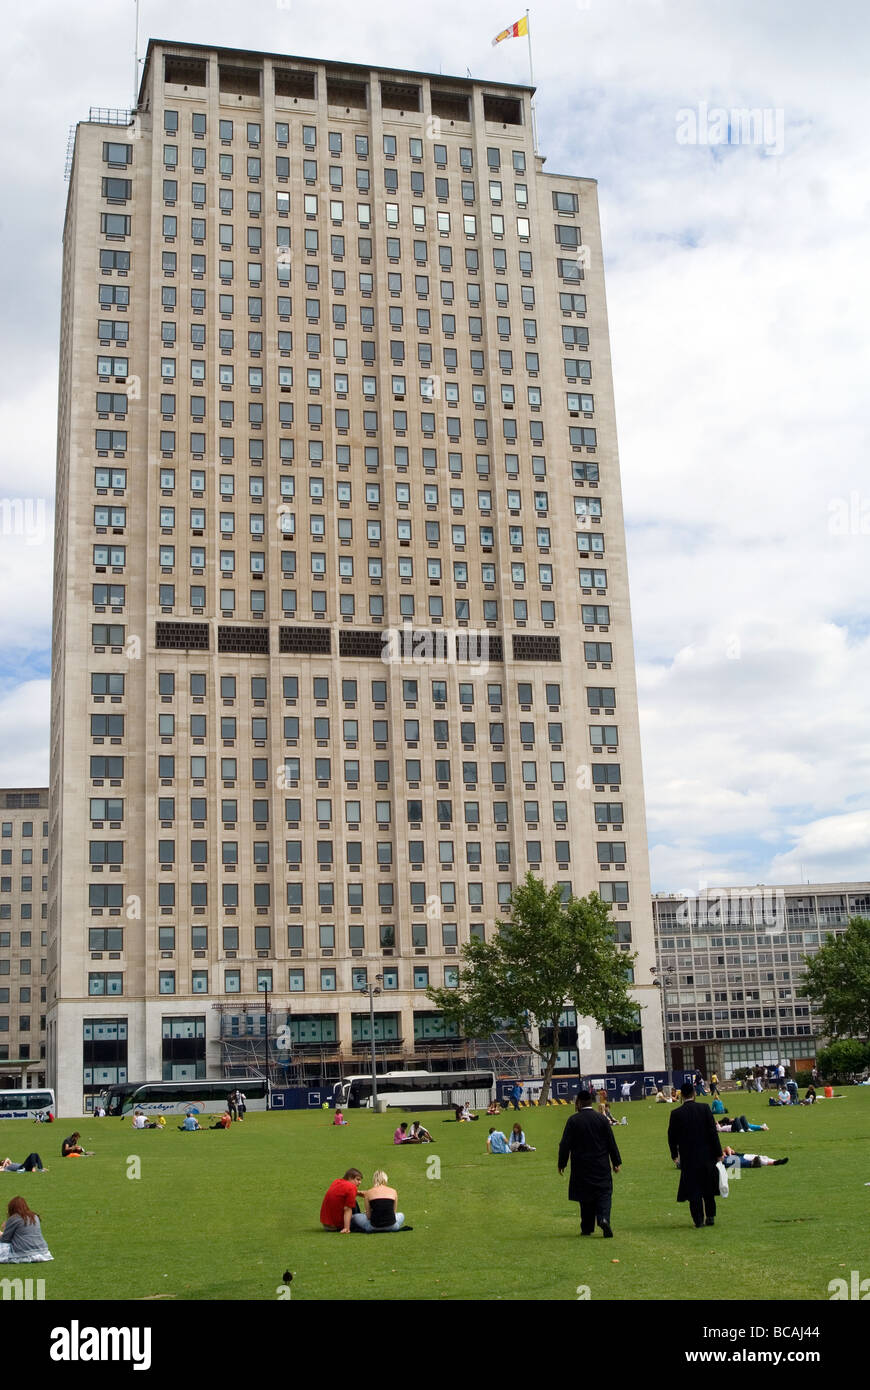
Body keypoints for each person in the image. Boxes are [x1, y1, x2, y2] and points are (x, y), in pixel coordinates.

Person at [558, 1091, 621, 1237]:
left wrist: (562, 1163)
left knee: (585, 1196)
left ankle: (587, 1227)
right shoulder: (601, 1119)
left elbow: (565, 1144)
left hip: (581, 1165)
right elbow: (611, 1142)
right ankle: (604, 1218)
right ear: (591, 1102)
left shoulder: (573, 1120)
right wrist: (616, 1161)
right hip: (601, 1163)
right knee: (604, 1193)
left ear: (578, 1102)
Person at [667, 1081, 723, 1228]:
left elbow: (671, 1137)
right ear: (694, 1093)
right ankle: (710, 1216)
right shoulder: (704, 1109)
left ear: (682, 1096)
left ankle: (698, 1220)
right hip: (707, 1155)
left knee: (694, 1190)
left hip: (688, 1157)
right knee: (708, 1188)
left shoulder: (676, 1114)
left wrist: (674, 1155)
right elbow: (713, 1134)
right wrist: (718, 1153)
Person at [0, 1197, 53, 1264]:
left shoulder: (14, 1218)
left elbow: (5, 1240)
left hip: (22, 1253)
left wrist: (2, 1231)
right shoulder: (34, 1216)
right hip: (42, 1251)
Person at [320, 1168, 364, 1233]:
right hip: (336, 1226)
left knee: (352, 1201)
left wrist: (360, 1193)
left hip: (326, 1225)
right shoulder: (352, 1187)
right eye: (358, 1179)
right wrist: (347, 1228)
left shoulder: (337, 1182)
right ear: (350, 1178)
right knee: (354, 1204)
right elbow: (347, 1209)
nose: (360, 1182)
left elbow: (343, 1192)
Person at [721, 1147, 789, 1168]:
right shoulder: (724, 1158)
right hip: (743, 1157)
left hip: (742, 1156)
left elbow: (727, 1148)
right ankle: (775, 1162)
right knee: (760, 1159)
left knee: (763, 1157)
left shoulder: (727, 1153)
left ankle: (776, 1161)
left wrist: (729, 1154)